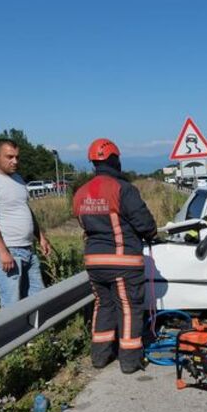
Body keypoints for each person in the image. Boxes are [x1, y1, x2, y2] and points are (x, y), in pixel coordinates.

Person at [73, 138, 157, 374]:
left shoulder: (80, 192)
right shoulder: (123, 189)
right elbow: (144, 223)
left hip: (94, 262)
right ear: (114, 160)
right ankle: (129, 360)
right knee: (129, 308)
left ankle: (100, 357)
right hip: (123, 261)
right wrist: (150, 233)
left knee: (103, 305)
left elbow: (84, 224)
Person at [0, 139, 52, 308]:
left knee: (37, 296)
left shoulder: (18, 179)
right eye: (9, 157)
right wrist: (3, 252)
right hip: (8, 250)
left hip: (27, 249)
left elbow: (25, 210)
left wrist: (41, 237)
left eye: (17, 157)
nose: (15, 161)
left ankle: (37, 333)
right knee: (12, 304)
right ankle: (10, 335)